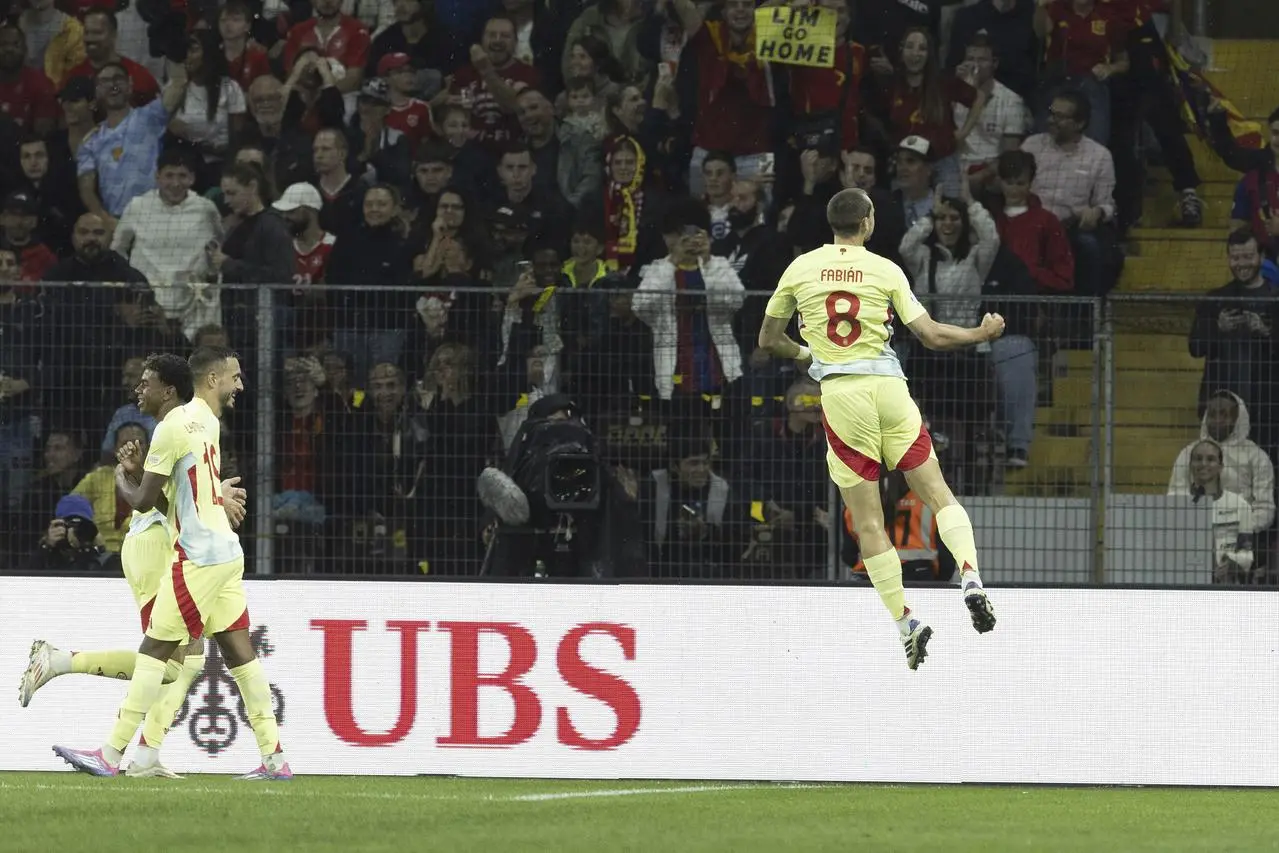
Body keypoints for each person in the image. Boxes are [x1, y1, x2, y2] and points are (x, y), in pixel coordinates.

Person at [756, 188, 1003, 670]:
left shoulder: (800, 268)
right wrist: (980, 333)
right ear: (867, 222)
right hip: (890, 389)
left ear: (832, 224)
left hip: (842, 396)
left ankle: (906, 621)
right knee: (939, 494)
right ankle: (971, 577)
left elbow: (768, 339)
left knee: (869, 522)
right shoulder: (886, 269)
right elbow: (930, 335)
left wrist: (811, 356)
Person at [52, 346, 290, 781]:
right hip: (227, 553)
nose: (139, 389)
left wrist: (123, 475)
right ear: (213, 380)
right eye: (235, 377)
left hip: (196, 557)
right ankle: (274, 759)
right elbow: (180, 494)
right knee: (242, 656)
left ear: (170, 388)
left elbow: (144, 501)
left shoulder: (171, 426)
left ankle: (109, 754)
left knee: (156, 651)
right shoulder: (207, 422)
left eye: (146, 382)